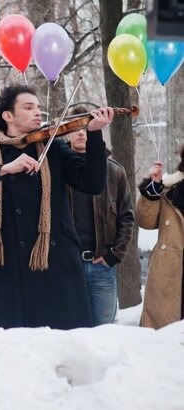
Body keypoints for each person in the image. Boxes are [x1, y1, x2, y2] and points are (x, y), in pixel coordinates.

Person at [0, 84, 113, 330]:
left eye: (38, 107)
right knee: (22, 347)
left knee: (66, 341)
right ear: (8, 116)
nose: (38, 112)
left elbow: (92, 183)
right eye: (28, 107)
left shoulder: (55, 148)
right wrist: (5, 169)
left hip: (57, 262)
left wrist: (94, 134)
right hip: (14, 267)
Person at [67, 106, 135, 326]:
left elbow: (127, 217)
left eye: (86, 127)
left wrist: (114, 255)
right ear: (67, 132)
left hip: (101, 267)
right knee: (68, 332)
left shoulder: (114, 171)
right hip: (67, 267)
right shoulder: (56, 169)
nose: (81, 132)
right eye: (76, 127)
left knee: (103, 333)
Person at [136, 150, 184, 329]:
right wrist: (152, 189)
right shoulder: (169, 187)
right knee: (164, 339)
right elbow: (145, 220)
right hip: (169, 270)